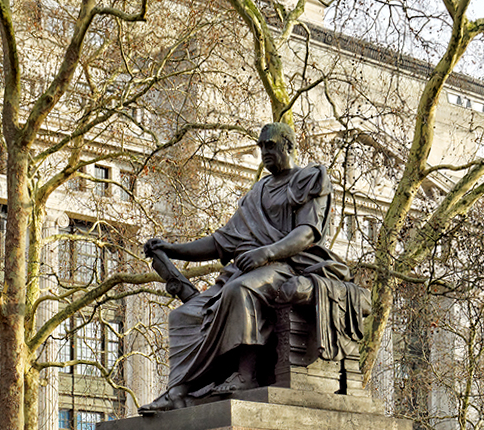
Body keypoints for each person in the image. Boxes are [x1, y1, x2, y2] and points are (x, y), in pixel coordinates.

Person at [141, 121, 356, 413]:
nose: (264, 151)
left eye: (271, 144)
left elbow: (307, 233)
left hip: (293, 265)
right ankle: (178, 391)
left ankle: (246, 375)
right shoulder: (258, 192)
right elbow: (220, 241)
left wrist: (265, 253)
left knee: (240, 291)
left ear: (288, 146)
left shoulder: (309, 179)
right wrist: (172, 250)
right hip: (250, 268)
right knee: (184, 314)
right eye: (261, 145)